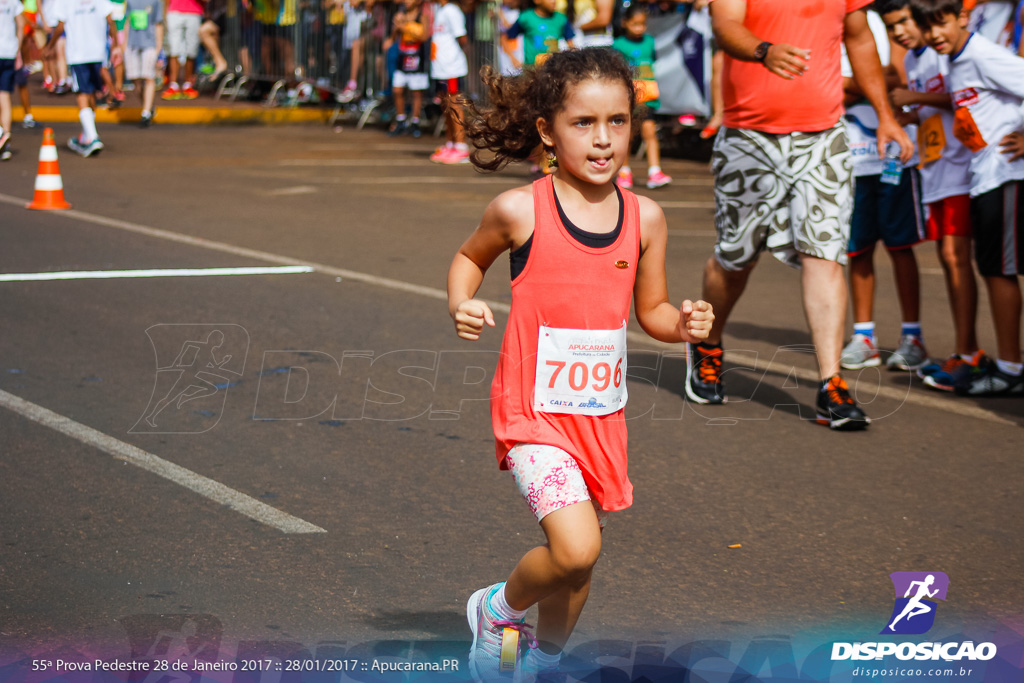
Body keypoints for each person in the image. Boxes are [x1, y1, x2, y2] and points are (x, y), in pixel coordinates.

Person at [447, 47, 714, 681]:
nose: (602, 140)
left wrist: (683, 325)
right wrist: (462, 302)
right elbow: (469, 257)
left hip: (599, 417)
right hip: (533, 416)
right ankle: (495, 609)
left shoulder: (644, 217)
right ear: (547, 131)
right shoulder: (521, 210)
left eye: (617, 122)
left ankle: (540, 661)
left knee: (577, 566)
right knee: (576, 546)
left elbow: (649, 309)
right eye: (583, 123)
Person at [689, 0, 914, 430]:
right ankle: (707, 345)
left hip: (823, 137)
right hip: (749, 136)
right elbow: (725, 26)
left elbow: (860, 37)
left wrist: (886, 115)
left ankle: (831, 385)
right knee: (736, 258)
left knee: (825, 255)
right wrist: (764, 50)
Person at [911, 0, 1024, 396]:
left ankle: (1012, 369)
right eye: (926, 28)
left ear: (961, 17)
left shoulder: (982, 55)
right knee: (994, 268)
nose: (934, 35)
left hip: (1006, 173)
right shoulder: (956, 60)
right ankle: (1011, 364)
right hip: (985, 177)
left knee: (1000, 270)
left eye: (941, 23)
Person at [882, 0, 985, 390]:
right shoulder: (913, 60)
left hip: (962, 168)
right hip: (935, 168)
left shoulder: (947, 51)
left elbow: (968, 95)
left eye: (904, 22)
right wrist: (911, 115)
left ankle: (971, 353)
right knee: (948, 259)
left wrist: (915, 100)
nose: (900, 33)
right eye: (891, 27)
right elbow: (935, 111)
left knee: (955, 257)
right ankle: (962, 351)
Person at [839, 8, 929, 373]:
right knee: (857, 249)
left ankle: (913, 337)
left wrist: (843, 81)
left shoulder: (879, 19)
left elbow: (895, 77)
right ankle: (864, 337)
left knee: (900, 246)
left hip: (893, 153)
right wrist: (860, 80)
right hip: (849, 155)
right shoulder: (823, 19)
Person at [43, 0, 120, 157]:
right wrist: (116, 45)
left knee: (82, 94)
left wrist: (50, 46)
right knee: (91, 92)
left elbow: (60, 26)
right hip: (97, 52)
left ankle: (92, 137)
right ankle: (87, 134)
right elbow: (110, 20)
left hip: (78, 53)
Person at [612, 4, 672, 189]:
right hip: (629, 98)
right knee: (627, 136)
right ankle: (624, 171)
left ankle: (655, 171)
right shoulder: (618, 45)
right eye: (635, 24)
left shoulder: (649, 42)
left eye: (643, 24)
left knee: (650, 133)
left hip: (648, 97)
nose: (639, 28)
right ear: (625, 23)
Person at [430, 0, 470, 163]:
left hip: (451, 66)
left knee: (454, 104)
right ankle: (451, 143)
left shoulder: (452, 10)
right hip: (440, 66)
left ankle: (461, 146)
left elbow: (462, 38)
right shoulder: (441, 10)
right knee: (445, 105)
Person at [389, 0, 429, 137]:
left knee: (416, 92)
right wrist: (396, 27)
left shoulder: (422, 16)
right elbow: (393, 38)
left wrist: (404, 27)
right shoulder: (400, 15)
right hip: (403, 56)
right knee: (397, 89)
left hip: (417, 57)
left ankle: (415, 122)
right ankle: (400, 120)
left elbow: (424, 36)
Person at [125, 0, 163, 126]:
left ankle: (145, 113)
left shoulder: (155, 1)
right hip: (132, 44)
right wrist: (124, 45)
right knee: (136, 80)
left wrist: (158, 48)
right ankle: (148, 106)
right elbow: (127, 21)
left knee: (148, 77)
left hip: (150, 44)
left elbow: (158, 24)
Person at [0, 0, 25, 161]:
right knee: (4, 96)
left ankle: (1, 134)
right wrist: (17, 48)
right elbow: (21, 24)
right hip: (9, 51)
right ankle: (5, 139)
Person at [161, 0, 202, 99]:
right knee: (173, 49)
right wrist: (165, 12)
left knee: (191, 50)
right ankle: (173, 85)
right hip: (174, 11)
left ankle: (188, 84)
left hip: (194, 11)